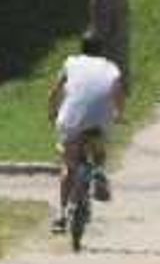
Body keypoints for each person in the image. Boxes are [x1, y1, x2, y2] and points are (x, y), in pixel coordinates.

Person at [52, 43, 125, 211]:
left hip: (71, 121)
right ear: (101, 51)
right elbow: (119, 93)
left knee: (68, 167)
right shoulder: (110, 67)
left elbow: (55, 90)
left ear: (82, 48)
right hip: (100, 121)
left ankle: (61, 215)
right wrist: (119, 115)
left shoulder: (71, 62)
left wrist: (52, 110)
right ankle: (98, 170)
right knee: (99, 149)